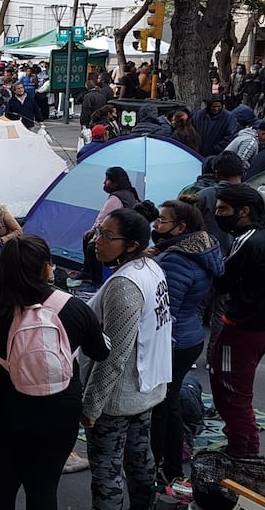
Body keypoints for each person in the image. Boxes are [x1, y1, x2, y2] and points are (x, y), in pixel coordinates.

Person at [0, 235, 109, 510]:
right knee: (44, 488)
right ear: (47, 267)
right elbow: (100, 353)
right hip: (58, 411)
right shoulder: (74, 308)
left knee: (2, 481)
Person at [81, 208, 172, 510]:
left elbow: (113, 354)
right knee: (138, 453)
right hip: (145, 386)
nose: (97, 241)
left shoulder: (124, 285)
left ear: (131, 245)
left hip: (118, 396)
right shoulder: (150, 268)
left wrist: (92, 405)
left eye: (107, 236)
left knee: (106, 467)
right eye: (98, 232)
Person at [210, 184, 265, 458]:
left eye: (223, 209)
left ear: (243, 211)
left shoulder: (248, 241)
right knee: (238, 393)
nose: (218, 214)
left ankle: (241, 454)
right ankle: (244, 447)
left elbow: (222, 281)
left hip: (242, 331)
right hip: (263, 329)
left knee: (231, 394)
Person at [147, 199, 223, 483]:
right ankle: (171, 465)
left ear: (180, 227)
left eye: (163, 220)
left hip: (174, 340)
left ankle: (157, 465)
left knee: (160, 405)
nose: (156, 225)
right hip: (189, 337)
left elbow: (166, 310)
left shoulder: (176, 259)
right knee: (170, 402)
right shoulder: (200, 249)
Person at [80, 167, 140, 284]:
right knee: (89, 239)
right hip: (124, 233)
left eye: (107, 180)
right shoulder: (129, 194)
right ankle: (87, 272)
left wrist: (93, 233)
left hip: (120, 235)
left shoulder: (116, 198)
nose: (104, 182)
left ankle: (95, 280)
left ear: (115, 183)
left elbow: (103, 219)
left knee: (91, 245)